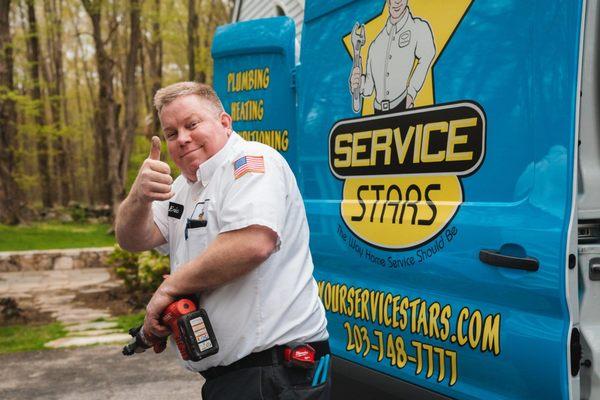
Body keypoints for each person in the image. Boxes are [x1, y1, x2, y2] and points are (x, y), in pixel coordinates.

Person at [115, 82, 330, 399]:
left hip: (277, 373)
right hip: (236, 378)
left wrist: (170, 287)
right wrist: (139, 195)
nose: (182, 138)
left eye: (192, 124)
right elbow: (132, 239)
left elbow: (253, 243)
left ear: (224, 123)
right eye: (172, 133)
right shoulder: (183, 188)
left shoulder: (251, 163)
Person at [349, 0, 436, 114]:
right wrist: (358, 84)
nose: (397, 2)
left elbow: (428, 54)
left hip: (403, 106)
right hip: (378, 112)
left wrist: (411, 93)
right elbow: (369, 88)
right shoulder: (376, 44)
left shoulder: (418, 27)